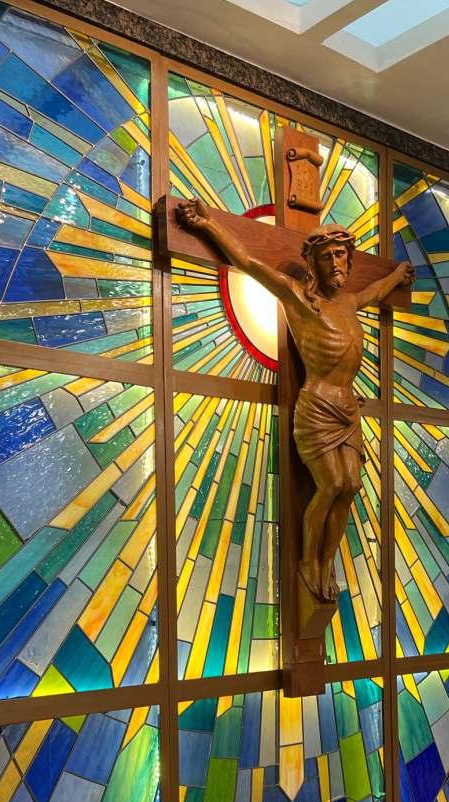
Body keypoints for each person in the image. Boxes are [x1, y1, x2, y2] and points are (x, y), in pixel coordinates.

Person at [177, 198, 414, 603]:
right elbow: (248, 261)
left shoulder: (348, 302)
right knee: (332, 483)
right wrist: (207, 224)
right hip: (317, 405)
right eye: (328, 256)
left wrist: (397, 274)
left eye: (342, 255)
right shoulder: (297, 298)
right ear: (313, 263)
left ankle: (327, 561)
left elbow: (375, 291)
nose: (337, 263)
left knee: (351, 485)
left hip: (348, 409)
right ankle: (308, 562)